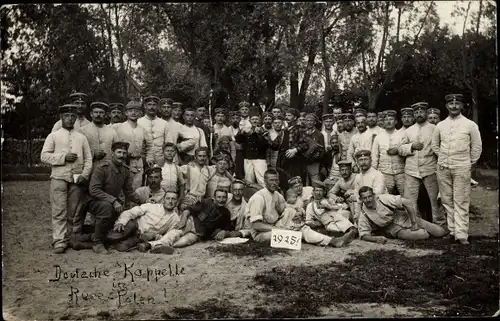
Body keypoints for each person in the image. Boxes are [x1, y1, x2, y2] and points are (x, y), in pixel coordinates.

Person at [246, 169, 356, 247]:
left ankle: (333, 241)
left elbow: (284, 212)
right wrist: (280, 229)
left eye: (276, 180)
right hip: (260, 234)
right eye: (271, 180)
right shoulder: (258, 197)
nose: (274, 183)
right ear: (265, 181)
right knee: (292, 233)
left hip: (275, 225)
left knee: (300, 226)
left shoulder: (277, 195)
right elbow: (256, 225)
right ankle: (326, 239)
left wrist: (295, 217)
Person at [41, 104, 93, 254]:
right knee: (59, 210)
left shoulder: (81, 138)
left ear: (76, 118)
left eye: (72, 116)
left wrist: (85, 174)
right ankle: (59, 240)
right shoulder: (54, 136)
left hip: (76, 179)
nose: (70, 119)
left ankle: (69, 238)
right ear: (61, 118)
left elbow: (88, 159)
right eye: (66, 116)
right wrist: (63, 157)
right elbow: (44, 156)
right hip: (59, 177)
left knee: (73, 211)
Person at [432, 93, 482, 245]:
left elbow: (477, 147)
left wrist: (467, 162)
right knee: (447, 201)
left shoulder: (470, 125)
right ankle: (452, 231)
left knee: (461, 200)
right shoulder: (440, 125)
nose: (454, 106)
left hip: (461, 167)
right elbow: (435, 145)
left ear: (461, 106)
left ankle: (461, 235)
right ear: (447, 106)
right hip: (443, 167)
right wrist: (445, 158)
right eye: (451, 104)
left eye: (457, 104)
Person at [86, 142, 145, 254]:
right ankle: (97, 243)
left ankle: (102, 238)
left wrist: (143, 201)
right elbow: (93, 190)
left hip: (112, 204)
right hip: (93, 202)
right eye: (119, 152)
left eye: (124, 153)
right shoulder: (102, 168)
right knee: (106, 207)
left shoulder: (125, 170)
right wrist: (113, 201)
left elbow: (129, 191)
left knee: (128, 220)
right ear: (112, 153)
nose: (121, 156)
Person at [398, 102, 444, 226]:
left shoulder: (434, 129)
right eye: (416, 112)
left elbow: (440, 148)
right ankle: (414, 223)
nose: (419, 114)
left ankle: (439, 224)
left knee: (435, 199)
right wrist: (411, 146)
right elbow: (400, 149)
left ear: (426, 113)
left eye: (421, 112)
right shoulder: (409, 131)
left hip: (430, 168)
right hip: (411, 169)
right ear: (414, 114)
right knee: (410, 199)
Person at [357, 186, 448, 243]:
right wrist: (376, 239)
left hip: (403, 217)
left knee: (440, 232)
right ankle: (422, 233)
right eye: (364, 198)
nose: (368, 200)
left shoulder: (382, 199)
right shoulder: (364, 214)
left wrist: (413, 222)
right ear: (361, 199)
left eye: (369, 196)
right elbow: (363, 235)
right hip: (392, 229)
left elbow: (407, 202)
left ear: (373, 195)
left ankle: (428, 230)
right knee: (423, 235)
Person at [108, 189, 181, 252]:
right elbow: (132, 212)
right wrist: (121, 222)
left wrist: (155, 235)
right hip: (133, 226)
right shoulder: (151, 206)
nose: (170, 201)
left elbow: (168, 235)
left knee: (122, 248)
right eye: (168, 198)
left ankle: (114, 243)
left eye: (173, 199)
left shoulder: (175, 219)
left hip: (141, 237)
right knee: (116, 235)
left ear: (177, 202)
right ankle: (105, 240)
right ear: (163, 200)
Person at [114, 100, 154, 190]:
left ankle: (134, 204)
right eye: (130, 110)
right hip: (122, 161)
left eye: (136, 111)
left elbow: (150, 145)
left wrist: (149, 158)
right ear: (126, 113)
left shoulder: (142, 130)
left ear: (140, 113)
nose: (133, 113)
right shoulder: (119, 127)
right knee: (121, 188)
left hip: (137, 162)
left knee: (136, 187)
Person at [371, 110, 405, 195]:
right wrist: (374, 172)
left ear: (396, 121)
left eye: (391, 119)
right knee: (385, 197)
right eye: (386, 120)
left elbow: (407, 152)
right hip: (384, 173)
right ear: (383, 122)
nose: (388, 121)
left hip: (401, 172)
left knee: (406, 197)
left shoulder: (402, 135)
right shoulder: (378, 137)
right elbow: (374, 156)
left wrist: (398, 150)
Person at [272, 108, 308, 182]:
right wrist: (267, 138)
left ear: (295, 117)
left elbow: (305, 144)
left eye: (289, 115)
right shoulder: (284, 130)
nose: (287, 117)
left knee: (294, 181)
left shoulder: (300, 129)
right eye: (286, 115)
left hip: (295, 161)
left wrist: (295, 150)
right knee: (282, 181)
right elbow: (275, 146)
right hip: (282, 160)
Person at [235, 110, 269, 187]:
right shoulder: (246, 130)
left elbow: (267, 145)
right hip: (248, 159)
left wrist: (260, 134)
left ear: (260, 120)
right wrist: (242, 132)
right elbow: (238, 140)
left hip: (260, 159)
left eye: (256, 119)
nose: (255, 121)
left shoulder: (264, 131)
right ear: (250, 120)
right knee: (248, 181)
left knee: (262, 180)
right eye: (253, 119)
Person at [79, 102, 119, 167]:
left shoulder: (112, 132)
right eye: (96, 112)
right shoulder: (83, 131)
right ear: (91, 114)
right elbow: (79, 151)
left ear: (105, 115)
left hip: (107, 168)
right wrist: (93, 154)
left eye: (101, 112)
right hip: (89, 168)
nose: (98, 115)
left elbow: (117, 151)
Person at [138, 95, 169, 167]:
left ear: (158, 107)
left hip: (161, 161)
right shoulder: (139, 122)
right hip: (142, 161)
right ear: (145, 106)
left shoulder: (164, 123)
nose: (152, 107)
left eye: (154, 105)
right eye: (149, 105)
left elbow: (168, 143)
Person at [161, 101, 195, 165]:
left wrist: (179, 146)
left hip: (172, 158)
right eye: (164, 107)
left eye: (168, 107)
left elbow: (192, 140)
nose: (166, 109)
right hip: (158, 157)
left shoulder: (178, 125)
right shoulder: (156, 122)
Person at [302, 113, 325, 185]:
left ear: (315, 122)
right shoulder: (301, 132)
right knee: (304, 182)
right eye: (307, 120)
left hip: (314, 163)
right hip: (302, 161)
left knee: (315, 182)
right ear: (305, 122)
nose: (309, 122)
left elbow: (322, 150)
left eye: (311, 120)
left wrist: (314, 157)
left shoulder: (319, 134)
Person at [321, 113, 336, 179]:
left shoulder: (336, 133)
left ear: (333, 122)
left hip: (333, 158)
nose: (328, 123)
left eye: (330, 121)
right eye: (326, 122)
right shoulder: (321, 133)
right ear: (324, 122)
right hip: (323, 158)